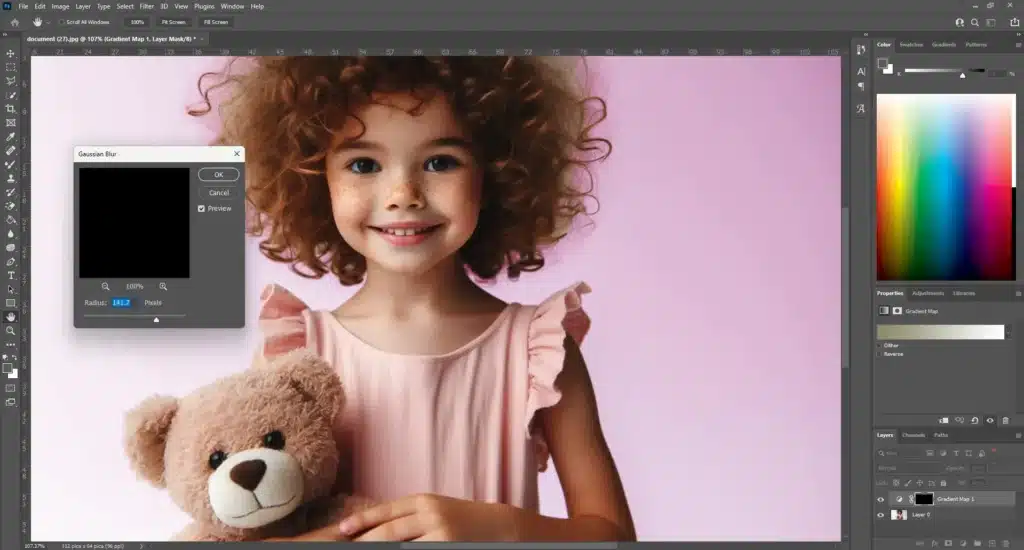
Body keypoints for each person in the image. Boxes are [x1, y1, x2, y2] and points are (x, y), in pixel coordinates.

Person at [189, 56, 635, 542]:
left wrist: (496, 528)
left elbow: (614, 536)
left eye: (440, 162)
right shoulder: (297, 353)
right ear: (318, 181)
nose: (403, 194)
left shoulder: (538, 349)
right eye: (364, 164)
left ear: (496, 174)